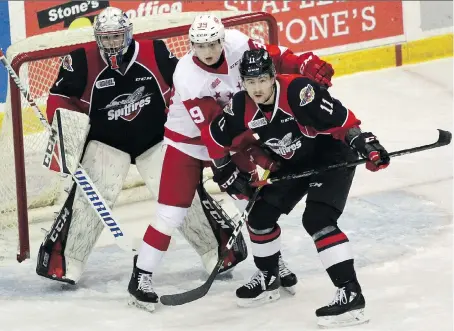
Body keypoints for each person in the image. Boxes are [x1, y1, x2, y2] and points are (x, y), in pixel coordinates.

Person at [128, 13, 335, 311]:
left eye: (213, 43)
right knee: (170, 213)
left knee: (252, 208)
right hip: (189, 144)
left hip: (232, 134)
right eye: (201, 46)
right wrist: (233, 165)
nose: (209, 51)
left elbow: (271, 60)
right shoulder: (187, 75)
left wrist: (302, 63)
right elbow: (211, 131)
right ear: (191, 46)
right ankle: (141, 276)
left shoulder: (239, 44)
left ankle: (271, 265)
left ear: (222, 39)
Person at [36, 7, 248, 286]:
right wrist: (63, 128)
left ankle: (217, 250)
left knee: (183, 196)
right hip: (105, 144)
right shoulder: (81, 61)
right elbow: (59, 98)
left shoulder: (155, 53)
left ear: (129, 33)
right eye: (106, 38)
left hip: (157, 140)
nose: (112, 44)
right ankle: (66, 262)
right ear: (98, 38)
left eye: (117, 37)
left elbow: (186, 87)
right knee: (89, 198)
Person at [201, 48, 390, 327]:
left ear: (272, 76)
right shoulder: (241, 106)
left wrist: (365, 144)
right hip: (293, 161)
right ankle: (269, 279)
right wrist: (225, 171)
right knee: (259, 218)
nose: (257, 88)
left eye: (262, 80)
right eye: (250, 82)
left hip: (331, 155)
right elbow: (214, 138)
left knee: (317, 219)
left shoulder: (299, 93)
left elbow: (342, 121)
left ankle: (350, 295)